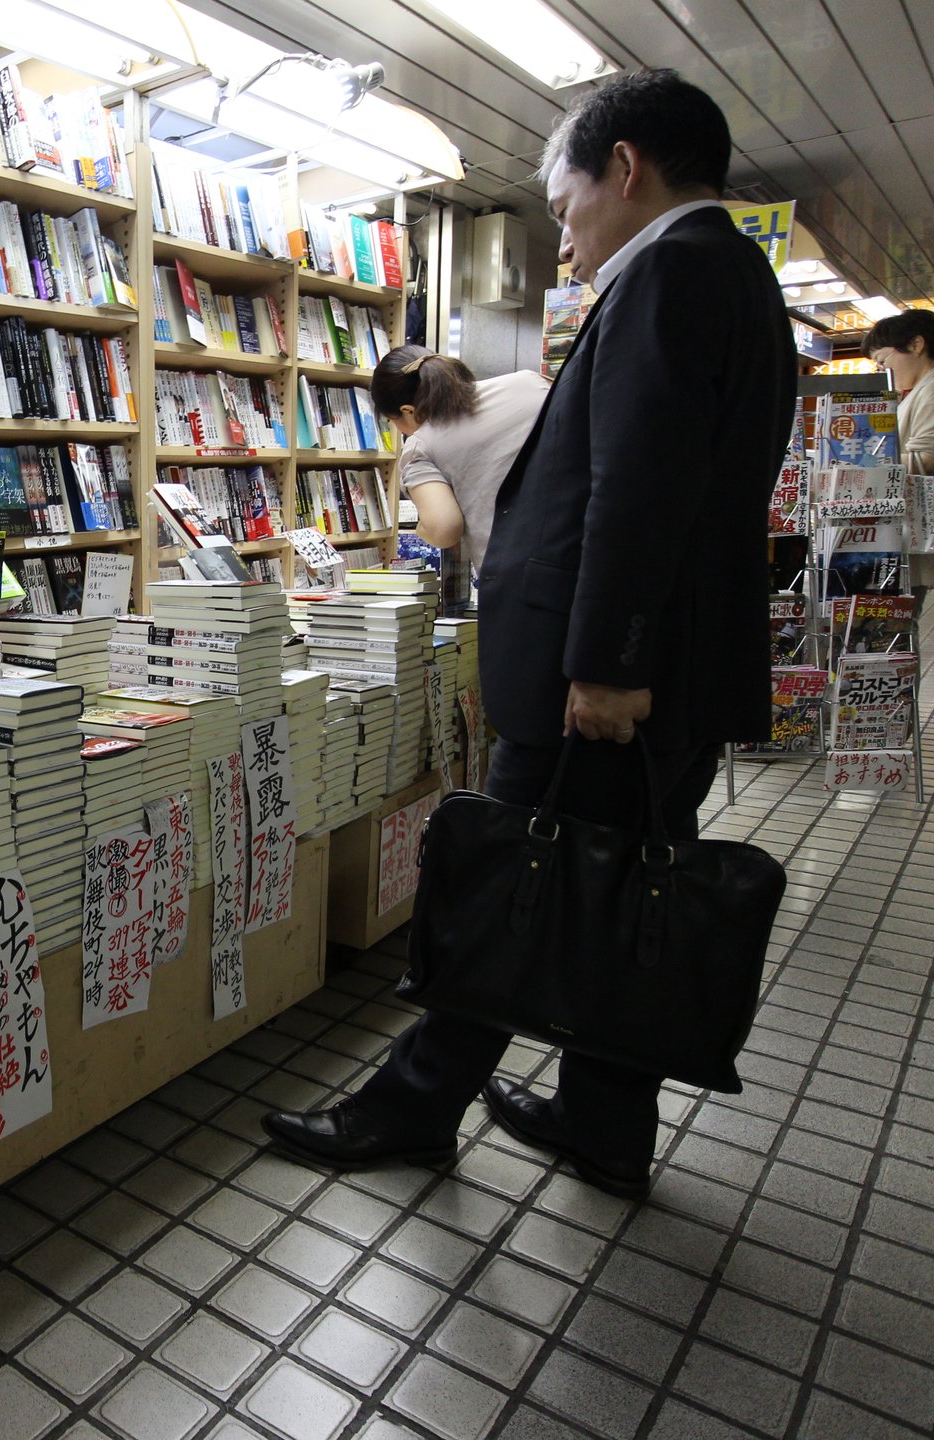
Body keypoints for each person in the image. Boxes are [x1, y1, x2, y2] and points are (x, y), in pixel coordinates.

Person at [261, 69, 796, 1199]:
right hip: (667, 669)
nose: (562, 236)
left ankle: (412, 1107)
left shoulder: (668, 276)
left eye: (561, 205)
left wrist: (606, 663)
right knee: (614, 882)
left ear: (625, 168)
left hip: (602, 686)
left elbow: (639, 490)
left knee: (507, 883)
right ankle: (604, 1121)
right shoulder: (733, 274)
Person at [369, 348, 547, 579]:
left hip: (519, 577)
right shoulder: (529, 382)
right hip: (593, 551)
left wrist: (421, 529)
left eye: (393, 421)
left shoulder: (421, 446)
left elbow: (443, 529)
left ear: (408, 411)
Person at [863, 309, 934, 473]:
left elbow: (927, 459)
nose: (882, 370)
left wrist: (865, 463)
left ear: (915, 345)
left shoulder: (931, 388)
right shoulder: (919, 389)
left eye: (882, 361)